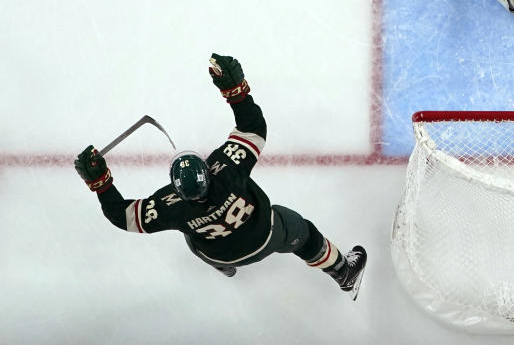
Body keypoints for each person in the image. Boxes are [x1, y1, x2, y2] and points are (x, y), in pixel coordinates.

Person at [74, 53, 367, 299]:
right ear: (207, 170)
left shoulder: (168, 205)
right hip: (266, 237)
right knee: (301, 230)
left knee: (192, 238)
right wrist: (236, 92)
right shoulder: (227, 169)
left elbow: (122, 215)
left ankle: (225, 269)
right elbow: (253, 128)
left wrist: (100, 184)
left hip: (220, 254)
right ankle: (343, 271)